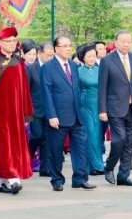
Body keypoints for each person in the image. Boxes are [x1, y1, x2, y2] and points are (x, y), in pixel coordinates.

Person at [0, 26, 34, 194]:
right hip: (0, 113)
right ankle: (13, 177)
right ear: (0, 43)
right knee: (3, 145)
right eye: (8, 41)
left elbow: (24, 89)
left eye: (14, 41)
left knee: (15, 145)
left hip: (16, 113)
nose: (12, 44)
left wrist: (26, 113)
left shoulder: (18, 62)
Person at [41, 36, 94, 191]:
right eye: (64, 46)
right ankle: (57, 179)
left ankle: (80, 178)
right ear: (56, 49)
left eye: (69, 45)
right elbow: (47, 92)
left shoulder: (73, 65)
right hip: (58, 116)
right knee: (55, 150)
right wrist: (51, 115)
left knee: (81, 148)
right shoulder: (48, 67)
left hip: (77, 115)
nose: (68, 48)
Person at [98, 30, 132, 187]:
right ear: (116, 42)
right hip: (114, 107)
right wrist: (102, 110)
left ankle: (124, 175)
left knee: (129, 143)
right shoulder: (107, 60)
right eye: (123, 41)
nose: (126, 44)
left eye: (129, 41)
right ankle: (109, 166)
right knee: (119, 139)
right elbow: (102, 87)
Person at [77, 44, 104, 175]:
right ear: (83, 57)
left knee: (98, 134)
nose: (92, 58)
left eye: (94, 55)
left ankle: (98, 164)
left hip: (99, 105)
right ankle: (92, 166)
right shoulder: (78, 71)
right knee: (90, 134)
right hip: (85, 105)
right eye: (89, 56)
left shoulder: (101, 70)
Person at [25, 40, 49, 177]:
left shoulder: (52, 67)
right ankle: (28, 158)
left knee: (46, 139)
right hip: (35, 110)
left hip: (49, 110)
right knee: (36, 136)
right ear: (40, 54)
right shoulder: (31, 69)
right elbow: (26, 91)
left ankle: (45, 168)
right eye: (48, 55)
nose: (50, 58)